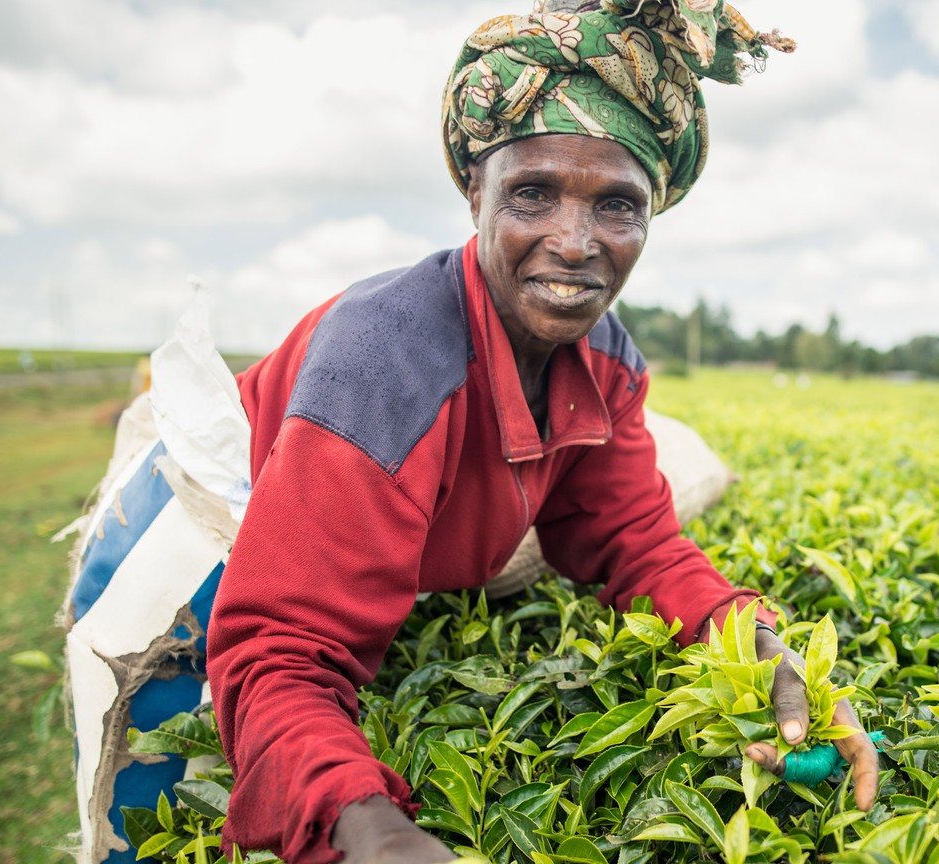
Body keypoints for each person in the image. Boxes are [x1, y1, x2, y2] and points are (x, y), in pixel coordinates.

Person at [204, 3, 880, 863]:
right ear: (473, 192)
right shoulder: (384, 361)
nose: (574, 243)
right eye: (532, 193)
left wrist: (774, 654)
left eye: (618, 207)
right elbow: (281, 645)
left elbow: (637, 544)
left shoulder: (608, 360)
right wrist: (369, 828)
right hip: (239, 515)